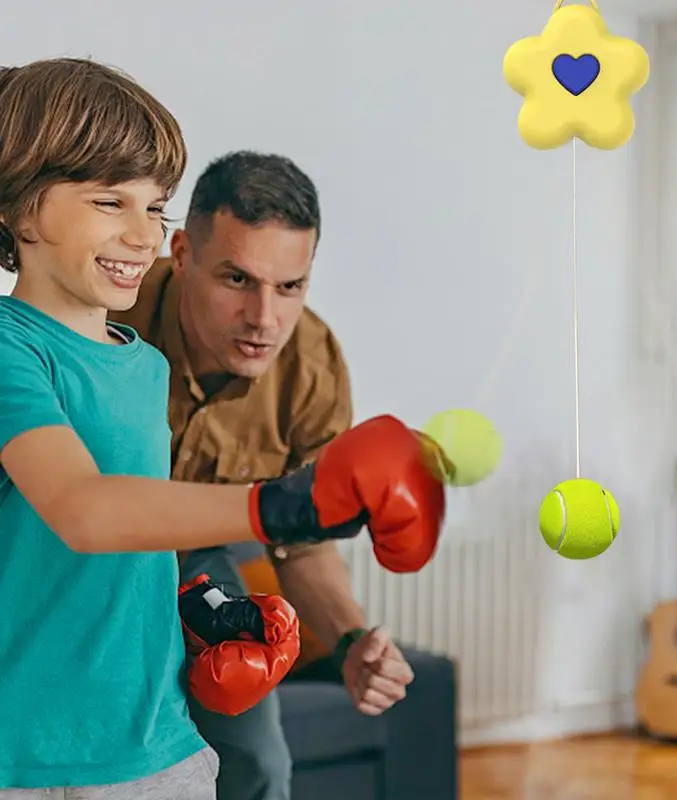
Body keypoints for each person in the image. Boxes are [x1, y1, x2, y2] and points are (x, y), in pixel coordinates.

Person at [0, 59, 445, 798]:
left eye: (156, 207)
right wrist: (282, 500)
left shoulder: (142, 367)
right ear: (19, 211)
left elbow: (153, 553)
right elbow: (85, 509)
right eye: (111, 200)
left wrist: (210, 615)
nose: (141, 234)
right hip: (31, 743)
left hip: (150, 738)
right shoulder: (21, 345)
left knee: (262, 761)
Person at [112, 150, 422, 800]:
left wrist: (351, 641)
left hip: (197, 564)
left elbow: (302, 540)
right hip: (71, 556)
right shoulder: (110, 311)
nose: (264, 319)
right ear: (183, 253)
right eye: (237, 280)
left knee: (260, 765)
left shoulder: (312, 364)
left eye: (290, 288)